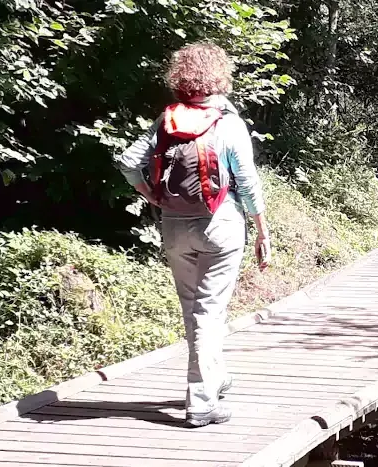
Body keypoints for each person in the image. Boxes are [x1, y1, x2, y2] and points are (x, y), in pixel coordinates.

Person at [115, 41, 271, 427]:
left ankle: (216, 377)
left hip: (174, 225)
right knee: (209, 311)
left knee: (196, 311)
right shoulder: (228, 123)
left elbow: (127, 161)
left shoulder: (167, 121)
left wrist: (151, 193)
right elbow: (248, 183)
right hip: (221, 224)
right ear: (219, 77)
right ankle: (201, 401)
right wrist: (263, 230)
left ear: (181, 78)